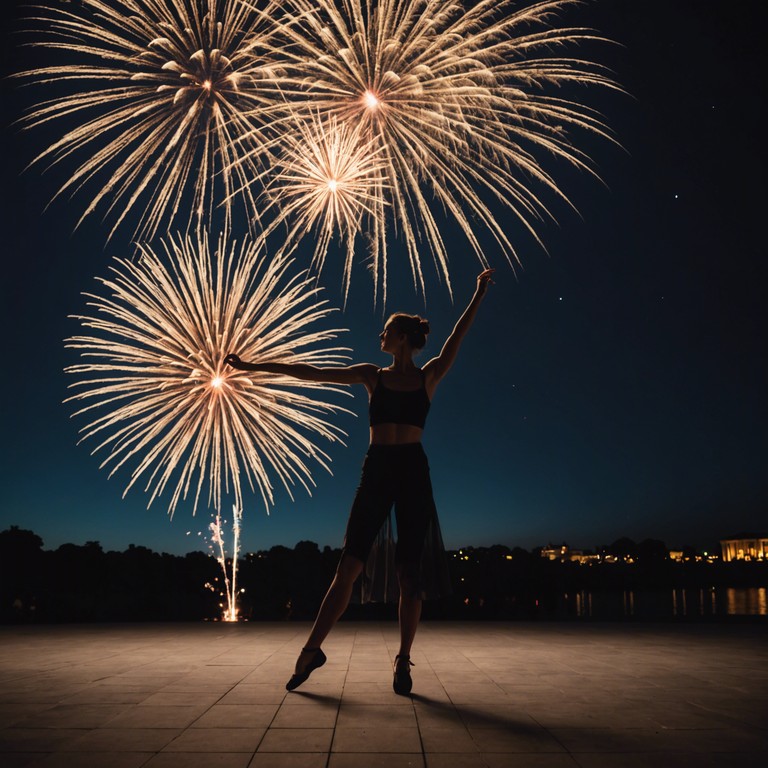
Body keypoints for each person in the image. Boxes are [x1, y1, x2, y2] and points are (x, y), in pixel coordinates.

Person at [225, 268, 494, 695]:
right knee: (349, 565)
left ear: (403, 337)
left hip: (412, 472)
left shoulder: (429, 376)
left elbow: (457, 336)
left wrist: (477, 292)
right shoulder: (373, 375)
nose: (380, 337)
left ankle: (403, 660)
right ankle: (313, 650)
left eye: (387, 331)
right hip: (378, 469)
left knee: (410, 575)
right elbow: (312, 373)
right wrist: (255, 366)